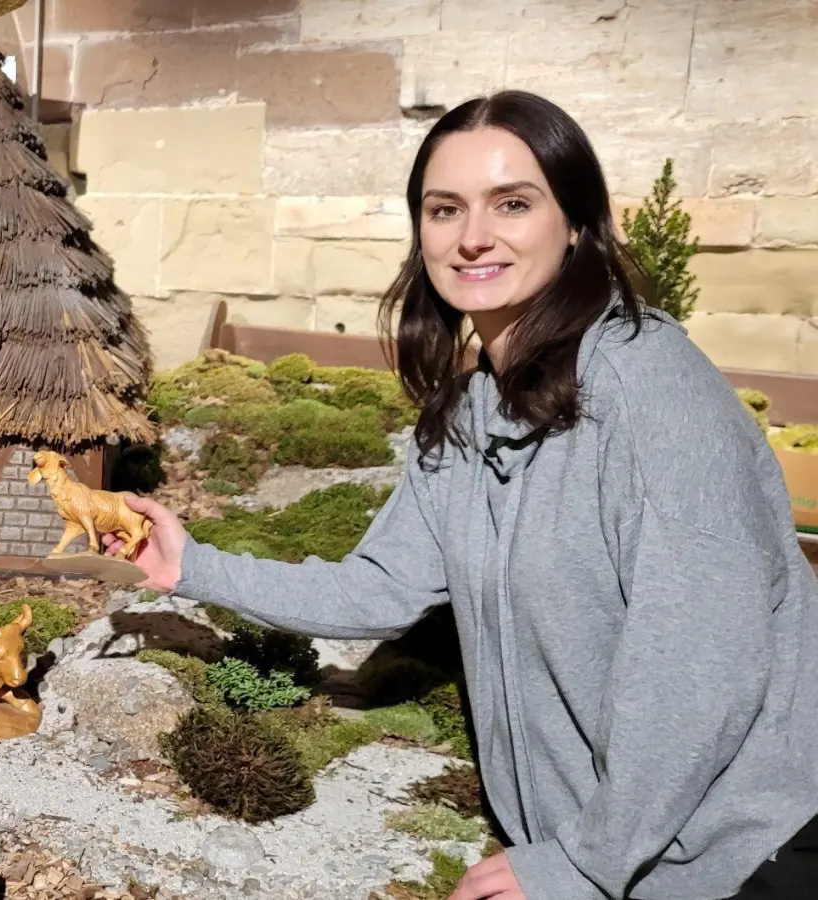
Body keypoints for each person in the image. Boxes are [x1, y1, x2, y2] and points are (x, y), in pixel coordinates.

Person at [107, 90, 818, 900]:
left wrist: (586, 859)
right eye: (444, 209)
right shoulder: (473, 404)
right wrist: (190, 565)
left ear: (578, 223)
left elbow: (702, 661)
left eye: (512, 203)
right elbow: (381, 586)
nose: (473, 236)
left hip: (744, 855)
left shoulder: (651, 387)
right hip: (611, 854)